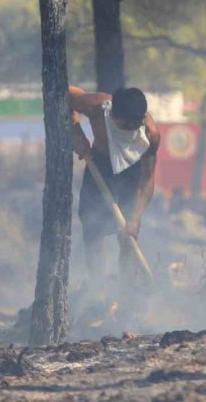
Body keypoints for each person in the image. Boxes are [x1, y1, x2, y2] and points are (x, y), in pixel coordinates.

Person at [69, 84, 160, 291]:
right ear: (113, 114)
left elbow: (147, 178)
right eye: (124, 124)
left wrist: (135, 217)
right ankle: (97, 292)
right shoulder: (97, 108)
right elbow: (66, 93)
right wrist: (76, 133)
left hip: (132, 174)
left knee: (129, 237)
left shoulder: (150, 134)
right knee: (93, 231)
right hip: (99, 166)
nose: (129, 128)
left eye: (134, 124)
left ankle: (127, 296)